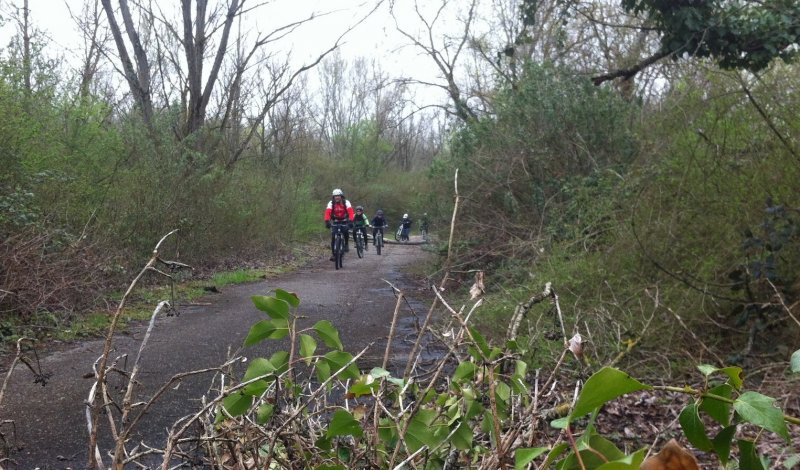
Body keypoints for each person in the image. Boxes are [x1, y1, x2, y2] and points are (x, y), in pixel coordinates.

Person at [324, 188, 355, 261]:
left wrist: (351, 221)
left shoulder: (346, 202)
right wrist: (327, 221)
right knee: (333, 237)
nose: (337, 197)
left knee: (345, 231)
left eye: (338, 196)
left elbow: (350, 212)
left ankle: (346, 244)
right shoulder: (331, 203)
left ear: (341, 196)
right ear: (333, 197)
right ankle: (334, 255)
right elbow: (327, 212)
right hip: (335, 220)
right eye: (335, 196)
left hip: (344, 219)